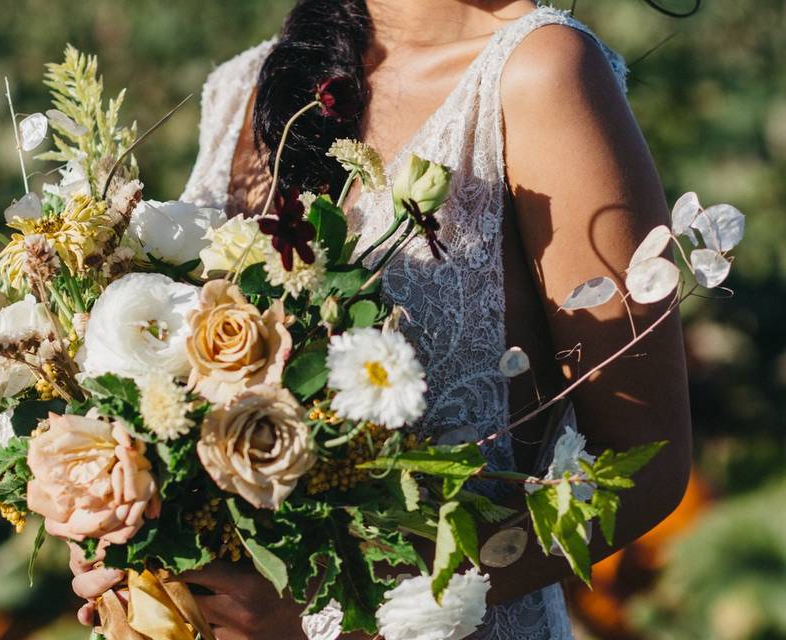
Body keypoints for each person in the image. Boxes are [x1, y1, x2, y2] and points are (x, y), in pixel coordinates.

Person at [82, 1, 693, 638]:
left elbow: (643, 464)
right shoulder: (243, 86)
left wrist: (335, 607)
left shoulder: (541, 73)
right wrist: (124, 538)